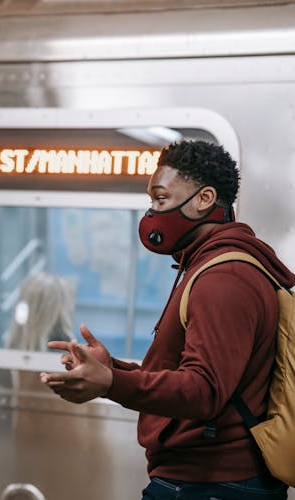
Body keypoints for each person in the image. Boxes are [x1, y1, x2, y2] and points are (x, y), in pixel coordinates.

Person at [41, 140, 295, 500]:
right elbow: (194, 374)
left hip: (210, 484)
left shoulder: (224, 278)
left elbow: (203, 391)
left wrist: (111, 383)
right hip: (209, 482)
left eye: (161, 199)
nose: (152, 213)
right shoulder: (210, 266)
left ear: (204, 199)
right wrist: (112, 367)